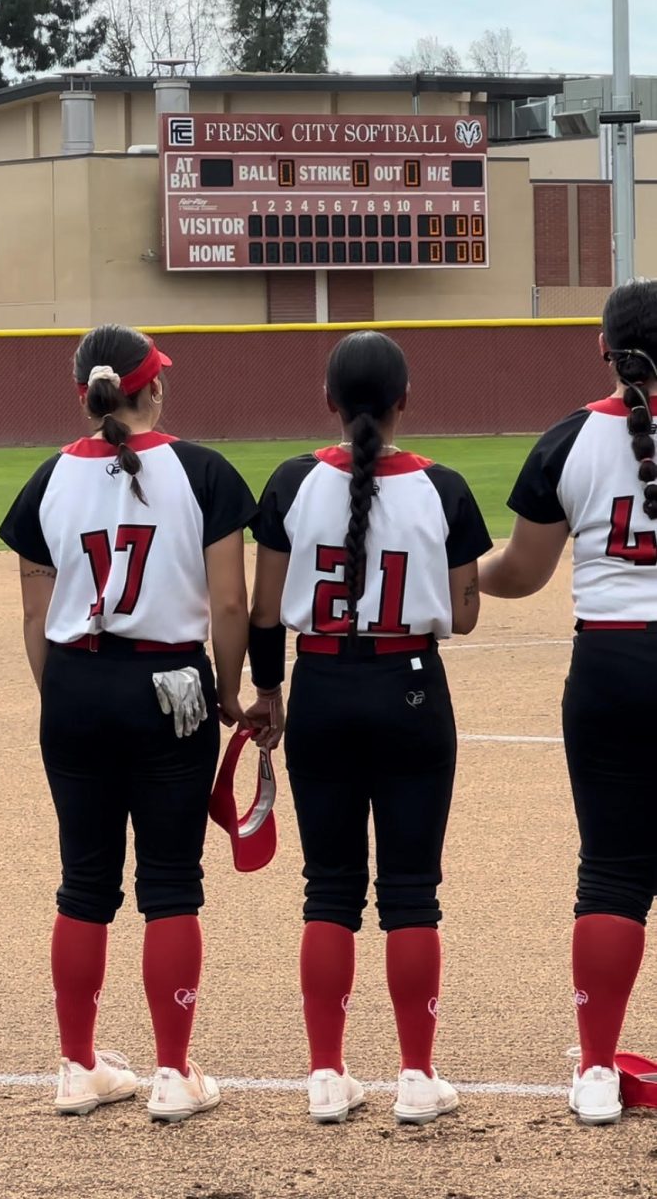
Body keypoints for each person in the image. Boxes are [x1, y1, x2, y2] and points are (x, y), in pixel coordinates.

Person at [0, 324, 255, 1123]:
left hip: (75, 681)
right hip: (169, 681)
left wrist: (64, 695)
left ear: (84, 394)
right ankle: (173, 1073)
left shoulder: (48, 479)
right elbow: (228, 604)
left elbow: (38, 612)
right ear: (154, 389)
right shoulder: (202, 471)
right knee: (171, 882)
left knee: (84, 880)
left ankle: (78, 1066)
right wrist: (225, 690)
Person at [246, 331, 491, 1125]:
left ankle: (326, 1076)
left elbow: (260, 611)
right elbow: (460, 615)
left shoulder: (290, 482)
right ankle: (416, 1080)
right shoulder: (443, 487)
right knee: (411, 894)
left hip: (318, 683)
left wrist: (271, 689)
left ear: (327, 402)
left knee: (329, 892)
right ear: (402, 403)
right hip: (411, 687)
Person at [480, 279, 657, 1126]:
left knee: (613, 872)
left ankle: (594, 1072)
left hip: (610, 668)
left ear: (604, 350)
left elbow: (517, 575)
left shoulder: (568, 441)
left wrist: (451, 576)